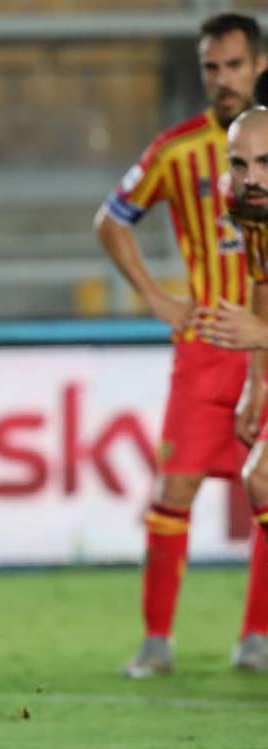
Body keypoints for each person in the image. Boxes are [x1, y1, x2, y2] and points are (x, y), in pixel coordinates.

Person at [93, 12, 268, 678]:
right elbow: (111, 221)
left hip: (265, 343)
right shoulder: (176, 150)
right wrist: (158, 298)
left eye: (233, 65)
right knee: (175, 488)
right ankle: (157, 639)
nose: (222, 80)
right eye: (210, 68)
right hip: (205, 347)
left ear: (258, 64)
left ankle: (257, 634)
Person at [199, 106, 268, 670]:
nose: (253, 177)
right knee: (262, 477)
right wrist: (256, 380)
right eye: (241, 163)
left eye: (267, 163)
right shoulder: (248, 210)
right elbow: (260, 287)